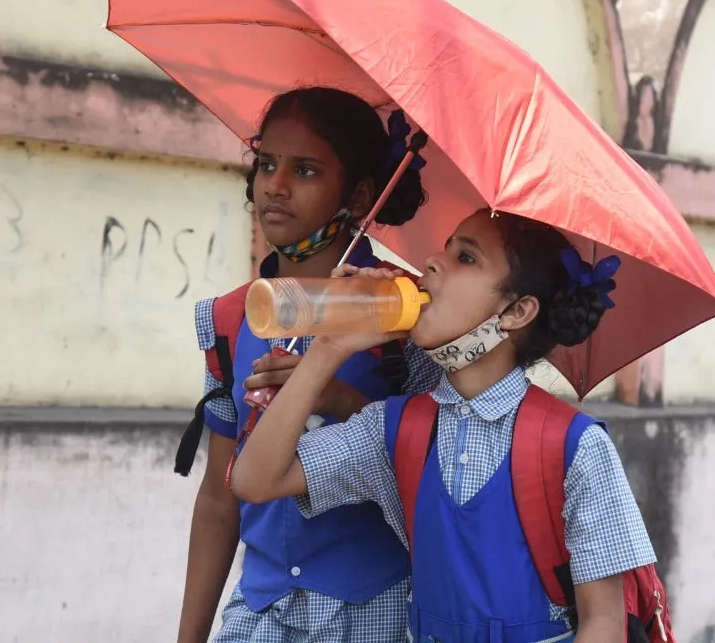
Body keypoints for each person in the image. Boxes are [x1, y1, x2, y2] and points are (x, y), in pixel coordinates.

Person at [230, 210, 659, 643]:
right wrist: (330, 347)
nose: (433, 261)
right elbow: (255, 480)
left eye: (467, 258)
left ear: (516, 311)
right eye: (446, 247)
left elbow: (604, 622)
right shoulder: (393, 428)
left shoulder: (575, 446)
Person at [176, 87, 441, 643]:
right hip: (260, 613)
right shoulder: (229, 319)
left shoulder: (408, 314)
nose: (275, 184)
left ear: (360, 193)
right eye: (267, 164)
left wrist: (341, 400)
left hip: (379, 613)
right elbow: (221, 496)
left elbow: (436, 466)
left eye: (307, 170)